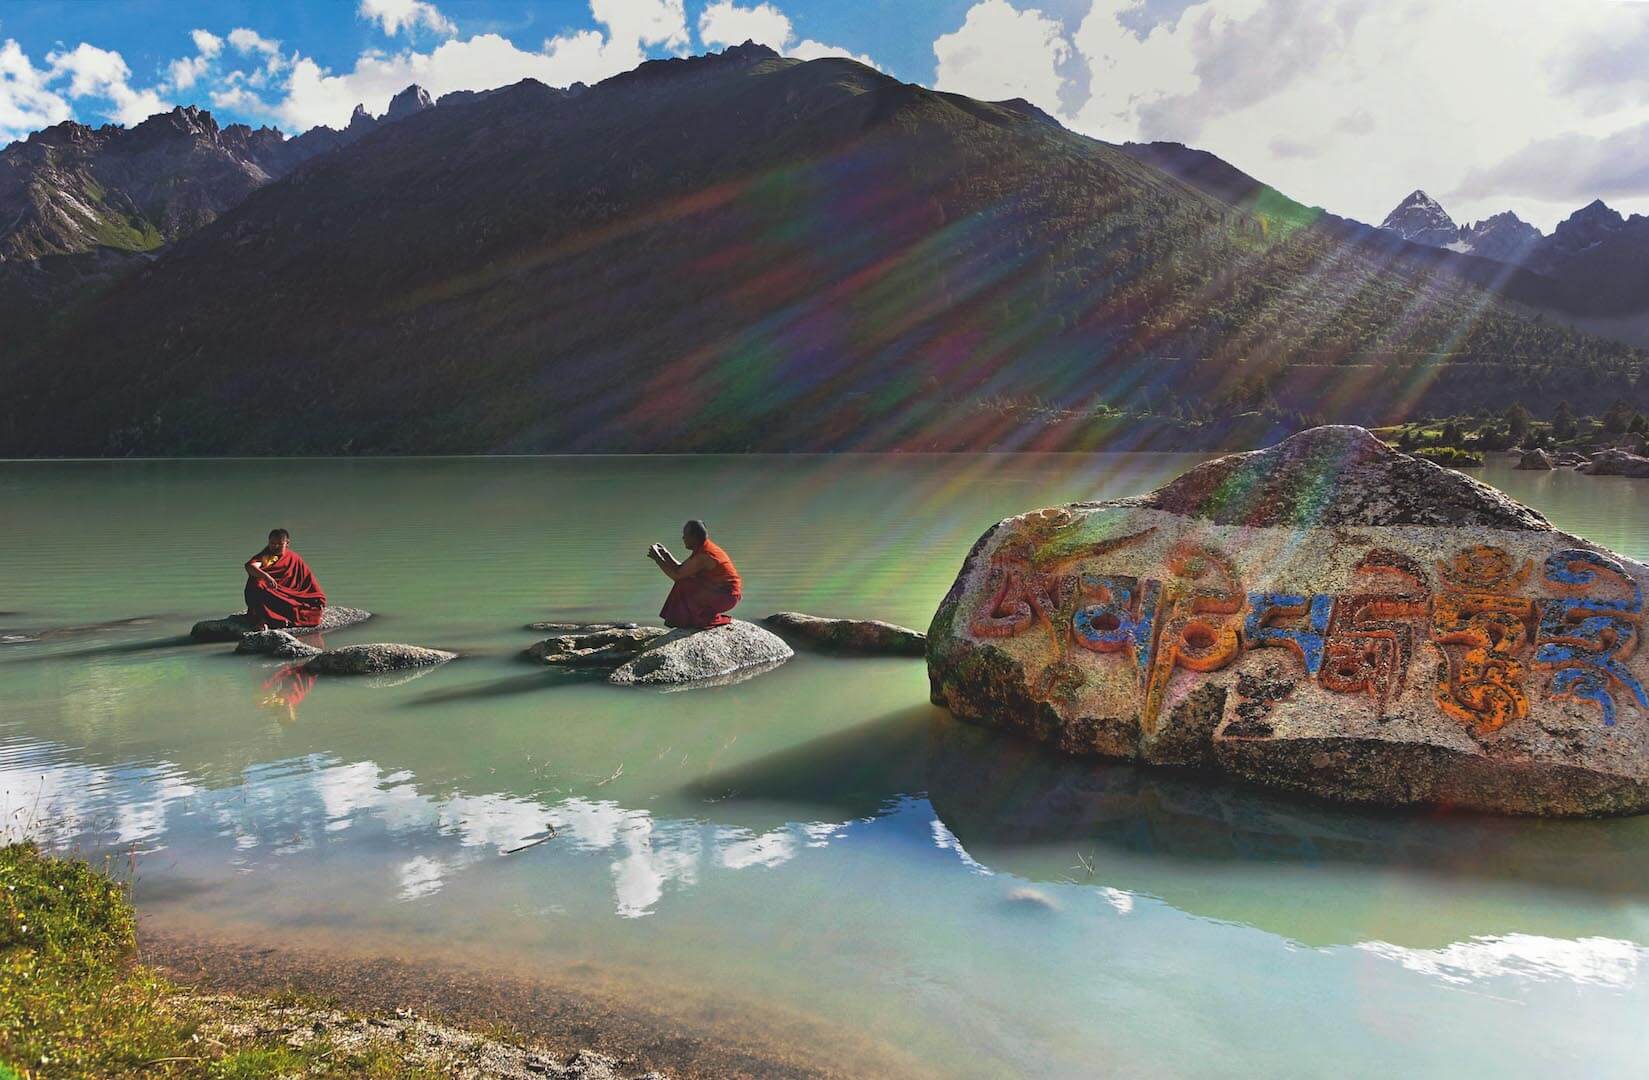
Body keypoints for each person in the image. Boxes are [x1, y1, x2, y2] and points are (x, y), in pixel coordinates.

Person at [648, 520, 741, 629]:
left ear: (694, 537)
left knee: (684, 583)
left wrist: (658, 559)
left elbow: (677, 576)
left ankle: (694, 620)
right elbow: (681, 569)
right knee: (686, 580)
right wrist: (666, 555)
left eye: (685, 535)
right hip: (722, 593)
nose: (683, 538)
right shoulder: (703, 548)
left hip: (726, 597)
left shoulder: (704, 555)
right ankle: (690, 618)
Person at [244, 528, 327, 631]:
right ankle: (263, 619)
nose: (275, 546)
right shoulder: (267, 556)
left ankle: (275, 620)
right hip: (271, 592)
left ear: (287, 543)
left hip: (290, 594)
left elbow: (309, 581)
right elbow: (250, 567)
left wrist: (318, 599)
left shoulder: (294, 558)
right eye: (272, 543)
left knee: (304, 610)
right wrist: (266, 576)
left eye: (279, 544)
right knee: (256, 583)